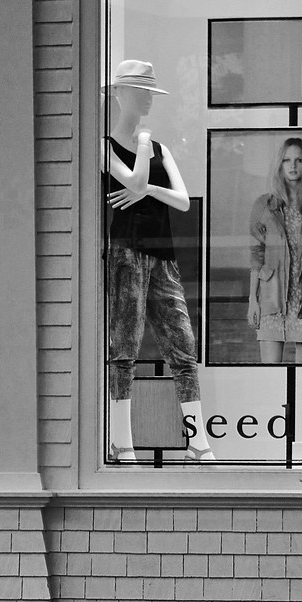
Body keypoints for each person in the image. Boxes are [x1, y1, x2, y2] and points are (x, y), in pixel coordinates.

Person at [102, 59, 213, 464]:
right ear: (119, 94)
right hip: (125, 252)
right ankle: (121, 442)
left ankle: (198, 443)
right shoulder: (106, 146)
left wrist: (146, 186)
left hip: (162, 255)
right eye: (140, 91)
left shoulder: (162, 148)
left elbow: (181, 201)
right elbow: (128, 180)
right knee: (123, 349)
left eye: (150, 91)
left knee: (183, 349)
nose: (147, 98)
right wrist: (144, 150)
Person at [247, 137, 302, 363]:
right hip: (272, 298)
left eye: (298, 160)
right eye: (287, 160)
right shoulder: (264, 205)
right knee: (270, 378)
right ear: (280, 164)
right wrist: (252, 299)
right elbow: (257, 256)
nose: (293, 166)